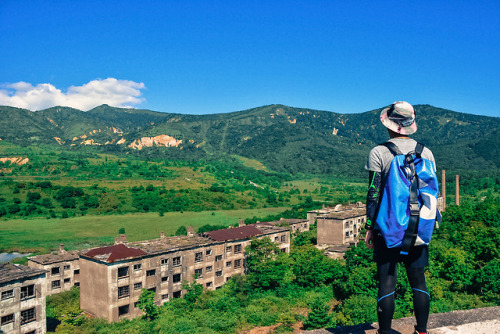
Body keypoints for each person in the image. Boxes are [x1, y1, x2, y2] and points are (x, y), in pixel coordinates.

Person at [364, 101, 436, 334]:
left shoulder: (380, 152)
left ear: (390, 124)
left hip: (388, 229)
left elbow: (374, 193)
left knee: (386, 283)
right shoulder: (426, 152)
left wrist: (368, 226)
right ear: (409, 125)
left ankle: (385, 332)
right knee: (419, 282)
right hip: (419, 227)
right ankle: (422, 330)